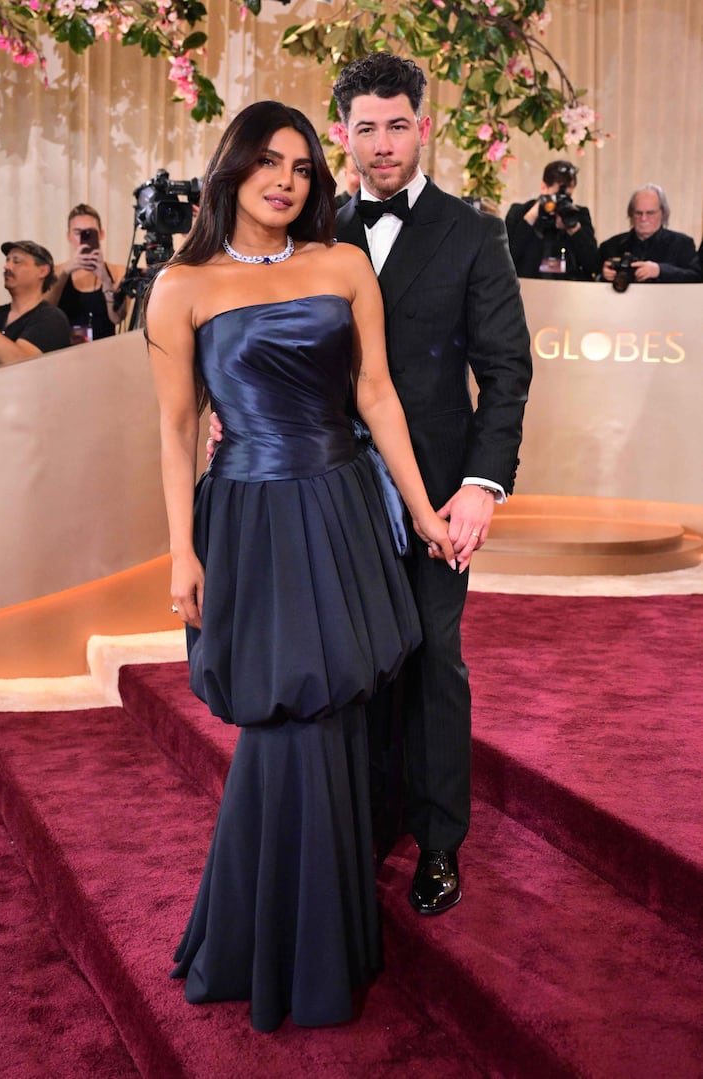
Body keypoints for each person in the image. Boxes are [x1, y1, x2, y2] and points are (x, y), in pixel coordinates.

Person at [145, 100, 455, 1033]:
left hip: (340, 499)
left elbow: (378, 396)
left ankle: (312, 935)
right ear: (230, 170)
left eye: (304, 167)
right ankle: (283, 939)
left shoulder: (343, 264)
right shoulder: (181, 284)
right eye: (268, 162)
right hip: (247, 513)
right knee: (285, 713)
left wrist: (423, 509)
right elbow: (172, 430)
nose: (286, 180)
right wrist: (179, 550)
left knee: (332, 708)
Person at [332, 53, 532, 915]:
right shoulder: (316, 229)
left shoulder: (472, 231)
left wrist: (484, 483)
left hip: (441, 495)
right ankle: (365, 821)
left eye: (397, 124)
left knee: (432, 659)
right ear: (343, 133)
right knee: (350, 662)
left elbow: (507, 369)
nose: (383, 144)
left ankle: (440, 840)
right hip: (329, 488)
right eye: (366, 127)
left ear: (426, 124)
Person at [505, 159, 600, 280]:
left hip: (568, 290)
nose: (562, 200)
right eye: (557, 195)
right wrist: (531, 218)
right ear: (544, 187)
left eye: (568, 196)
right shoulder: (520, 212)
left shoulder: (579, 215)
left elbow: (593, 265)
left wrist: (574, 229)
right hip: (528, 289)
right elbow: (506, 261)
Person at [46, 204, 126, 341]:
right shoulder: (56, 272)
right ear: (69, 236)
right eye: (78, 233)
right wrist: (66, 271)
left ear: (101, 234)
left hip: (106, 353)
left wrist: (106, 280)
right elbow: (44, 315)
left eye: (90, 232)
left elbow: (117, 318)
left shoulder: (117, 272)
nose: (84, 238)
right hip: (65, 355)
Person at [599, 184, 702, 284]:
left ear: (663, 213)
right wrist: (603, 276)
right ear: (631, 214)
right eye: (638, 213)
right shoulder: (610, 246)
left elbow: (696, 277)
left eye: (650, 213)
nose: (643, 219)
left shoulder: (682, 244)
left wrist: (660, 271)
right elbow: (592, 279)